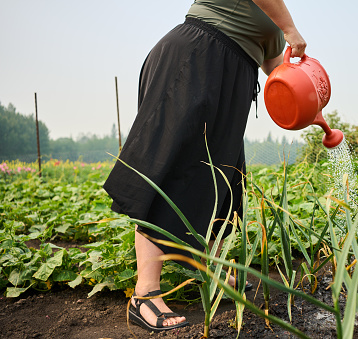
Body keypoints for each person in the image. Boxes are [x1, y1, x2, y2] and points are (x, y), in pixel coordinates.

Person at [103, 0, 306, 332]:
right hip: (198, 57)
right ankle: (144, 296)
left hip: (232, 77)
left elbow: (277, 73)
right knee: (172, 170)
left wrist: (309, 100)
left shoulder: (273, 24)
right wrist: (290, 28)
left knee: (220, 176)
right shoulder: (280, 16)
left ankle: (212, 277)